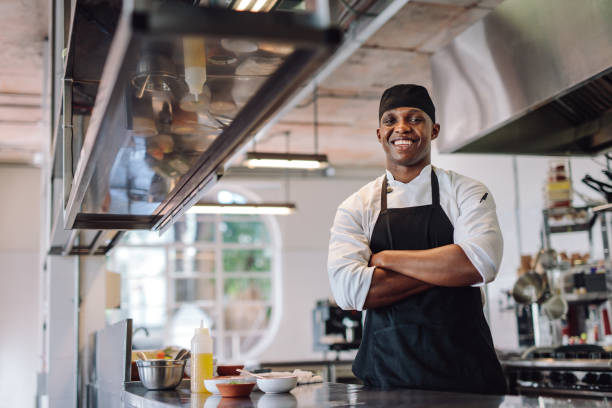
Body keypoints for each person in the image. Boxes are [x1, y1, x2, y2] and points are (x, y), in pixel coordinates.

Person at [327, 84, 507, 394]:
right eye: (390, 120)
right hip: (387, 380)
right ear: (380, 133)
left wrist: (387, 259)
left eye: (414, 118)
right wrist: (449, 267)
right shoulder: (357, 206)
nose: (402, 128)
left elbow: (482, 264)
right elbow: (349, 291)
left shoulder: (467, 191)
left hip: (466, 379)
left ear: (434, 130)